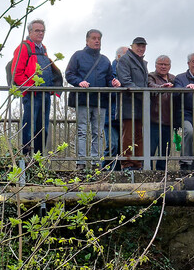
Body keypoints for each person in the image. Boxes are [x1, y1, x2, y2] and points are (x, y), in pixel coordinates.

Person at [12, 19, 63, 157]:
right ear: (30, 32)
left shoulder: (43, 49)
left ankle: (38, 158)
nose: (40, 33)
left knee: (43, 128)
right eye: (37, 30)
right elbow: (17, 73)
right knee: (29, 126)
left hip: (45, 94)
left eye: (42, 31)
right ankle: (27, 157)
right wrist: (30, 88)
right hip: (32, 95)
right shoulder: (24, 48)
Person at [65, 28, 116, 168]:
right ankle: (81, 162)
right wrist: (79, 82)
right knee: (82, 130)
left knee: (98, 132)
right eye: (94, 38)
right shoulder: (78, 56)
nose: (97, 41)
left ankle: (95, 162)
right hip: (83, 99)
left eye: (99, 38)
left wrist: (114, 83)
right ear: (87, 41)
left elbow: (109, 79)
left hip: (100, 101)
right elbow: (69, 74)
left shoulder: (105, 60)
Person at [115, 37, 149, 169]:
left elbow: (145, 83)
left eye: (143, 46)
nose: (141, 48)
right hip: (129, 104)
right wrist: (143, 94)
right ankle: (127, 163)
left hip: (141, 105)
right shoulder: (124, 60)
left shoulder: (143, 62)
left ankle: (137, 163)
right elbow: (126, 81)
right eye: (138, 46)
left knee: (139, 135)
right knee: (128, 136)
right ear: (132, 46)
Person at [148, 55, 178, 170]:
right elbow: (151, 86)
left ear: (170, 66)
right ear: (155, 65)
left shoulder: (173, 78)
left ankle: (161, 173)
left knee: (165, 149)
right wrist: (161, 87)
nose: (163, 66)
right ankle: (148, 172)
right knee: (150, 149)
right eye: (161, 64)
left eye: (166, 64)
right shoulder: (151, 76)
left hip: (168, 120)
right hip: (153, 119)